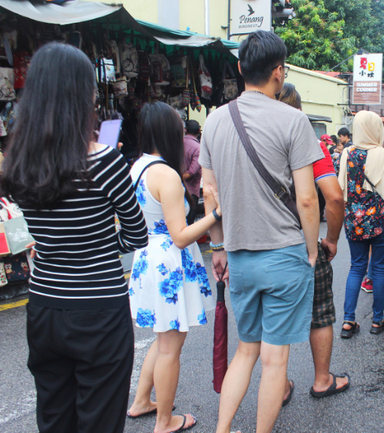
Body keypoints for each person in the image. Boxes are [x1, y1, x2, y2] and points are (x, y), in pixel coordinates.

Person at [0, 42, 148, 433]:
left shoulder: (17, 162)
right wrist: (99, 248)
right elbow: (136, 234)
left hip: (44, 305)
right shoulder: (104, 161)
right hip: (99, 308)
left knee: (54, 419)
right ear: (83, 94)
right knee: (99, 420)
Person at [199, 31, 322, 433]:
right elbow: (307, 200)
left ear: (238, 69)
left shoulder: (214, 121)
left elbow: (209, 195)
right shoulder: (294, 120)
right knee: (275, 360)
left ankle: (222, 430)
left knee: (245, 352)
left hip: (239, 255)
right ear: (279, 71)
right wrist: (312, 251)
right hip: (284, 254)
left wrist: (217, 246)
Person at [126, 102, 221, 433]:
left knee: (161, 338)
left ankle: (141, 402)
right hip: (168, 261)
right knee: (170, 346)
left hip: (147, 256)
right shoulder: (165, 173)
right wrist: (216, 216)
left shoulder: (136, 167)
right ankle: (165, 421)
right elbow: (180, 236)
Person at [277, 83, 350, 398]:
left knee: (274, 317)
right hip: (301, 242)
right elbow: (333, 198)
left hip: (259, 246)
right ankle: (322, 380)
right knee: (318, 311)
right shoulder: (307, 140)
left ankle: (276, 388)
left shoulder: (247, 137)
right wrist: (331, 239)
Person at [339, 110, 384, 338]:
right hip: (381, 220)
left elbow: (342, 188)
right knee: (378, 268)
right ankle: (378, 320)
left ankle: (348, 321)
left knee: (356, 267)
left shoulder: (346, 154)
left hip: (354, 221)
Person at [183, 119, 202, 225]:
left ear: (185, 130)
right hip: (191, 191)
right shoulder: (198, 148)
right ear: (199, 131)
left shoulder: (177, 143)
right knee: (189, 222)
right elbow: (192, 171)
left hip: (177, 188)